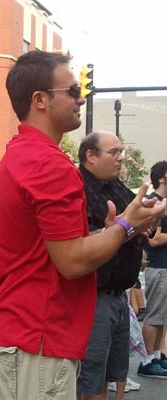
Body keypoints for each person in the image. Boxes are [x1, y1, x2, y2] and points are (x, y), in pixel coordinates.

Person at [0, 50, 166, 400]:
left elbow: (50, 249)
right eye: (73, 91)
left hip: (23, 340)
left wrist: (119, 226)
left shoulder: (21, 154)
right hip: (36, 342)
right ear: (40, 100)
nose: (82, 98)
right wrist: (124, 227)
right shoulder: (49, 164)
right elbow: (72, 261)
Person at [77, 131, 144, 400]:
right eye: (113, 152)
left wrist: (147, 216)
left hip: (119, 295)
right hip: (94, 296)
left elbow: (135, 218)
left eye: (120, 152)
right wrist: (117, 231)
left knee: (112, 374)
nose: (120, 158)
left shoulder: (117, 186)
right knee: (90, 377)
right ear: (90, 156)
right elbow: (75, 242)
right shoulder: (77, 188)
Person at [138, 160, 167, 378]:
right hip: (158, 267)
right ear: (162, 178)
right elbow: (153, 239)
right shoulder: (151, 203)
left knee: (162, 316)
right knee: (154, 315)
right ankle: (147, 361)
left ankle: (157, 356)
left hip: (163, 267)